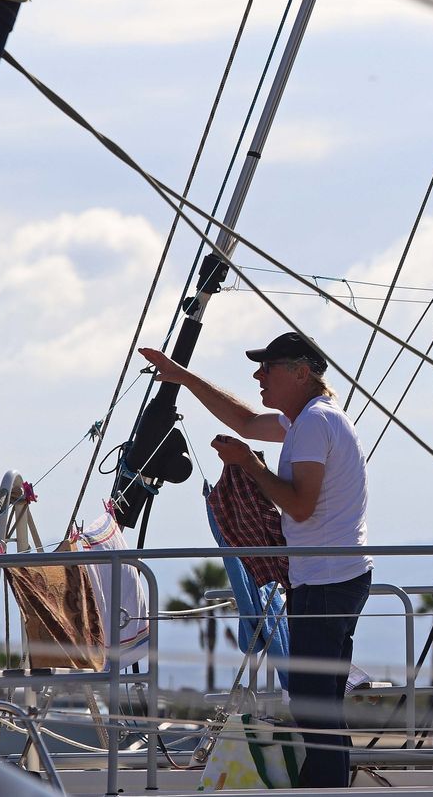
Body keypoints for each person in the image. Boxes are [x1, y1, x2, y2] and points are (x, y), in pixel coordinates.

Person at [139, 332, 371, 788]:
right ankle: (328, 784)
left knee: (311, 700)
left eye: (269, 367)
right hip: (337, 576)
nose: (258, 375)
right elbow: (245, 421)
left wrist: (249, 464)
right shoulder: (311, 419)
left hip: (325, 581)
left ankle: (321, 787)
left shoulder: (312, 424)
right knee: (320, 699)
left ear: (301, 372)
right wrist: (183, 377)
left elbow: (300, 506)